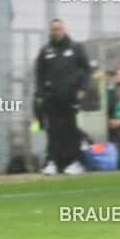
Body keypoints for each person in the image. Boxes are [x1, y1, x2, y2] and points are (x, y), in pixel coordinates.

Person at [35, 19, 91, 175]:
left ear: (64, 30)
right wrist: (41, 92)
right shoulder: (46, 51)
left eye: (58, 29)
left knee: (70, 129)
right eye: (53, 29)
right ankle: (52, 161)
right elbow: (39, 74)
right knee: (53, 130)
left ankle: (73, 162)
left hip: (70, 97)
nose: (56, 32)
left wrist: (82, 88)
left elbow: (86, 70)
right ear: (50, 31)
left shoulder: (75, 48)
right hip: (51, 98)